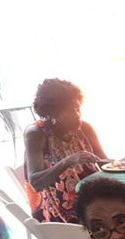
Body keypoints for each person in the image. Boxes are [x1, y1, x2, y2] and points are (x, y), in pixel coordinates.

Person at [24, 79, 107, 223]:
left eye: (78, 108)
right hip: (60, 209)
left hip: (95, 197)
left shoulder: (85, 128)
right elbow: (36, 182)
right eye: (70, 110)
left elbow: (103, 161)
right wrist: (69, 161)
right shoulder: (37, 134)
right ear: (53, 113)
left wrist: (124, 162)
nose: (77, 115)